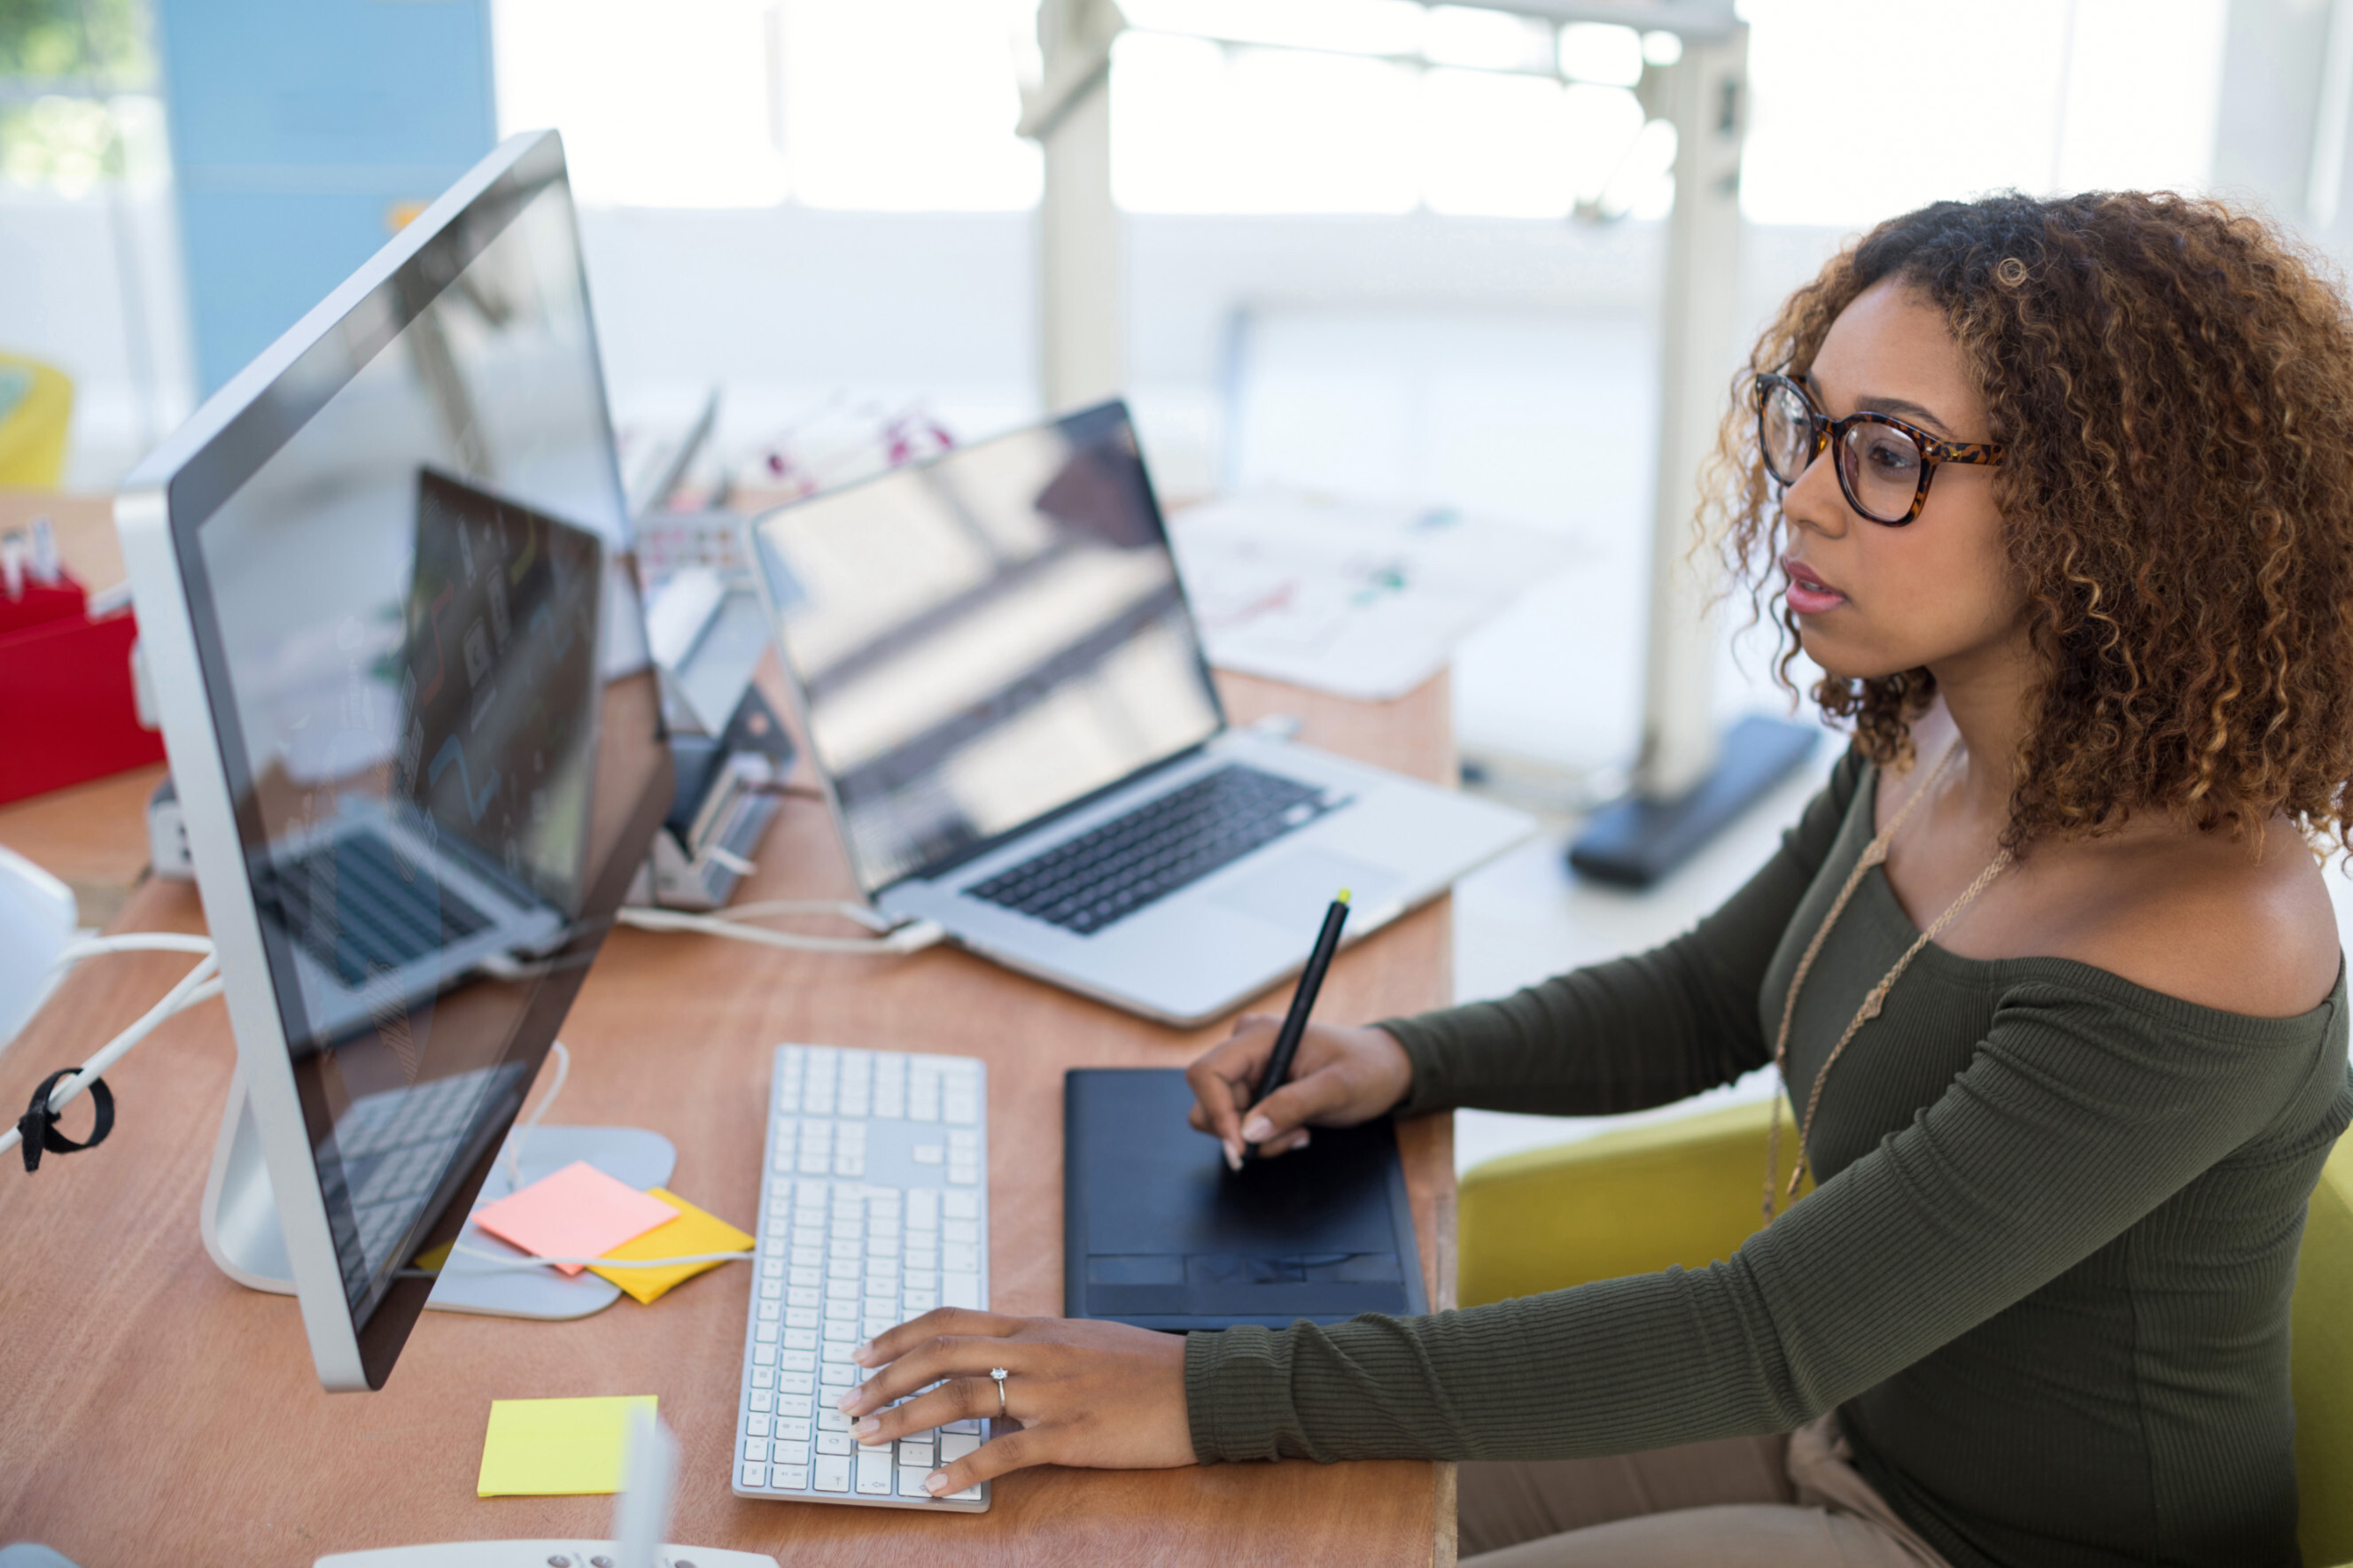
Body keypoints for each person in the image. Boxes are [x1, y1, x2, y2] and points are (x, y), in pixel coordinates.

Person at [835, 191, 2353, 1567]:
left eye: (1889, 455)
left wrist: (1199, 1384)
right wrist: (1405, 1059)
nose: (1809, 500)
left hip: (1997, 1542)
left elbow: (1761, 1331)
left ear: (2110, 513)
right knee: (1237, 1522)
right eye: (1806, 424)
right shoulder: (1942, 727)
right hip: (1848, 1426)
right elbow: (1709, 991)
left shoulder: (2211, 943)